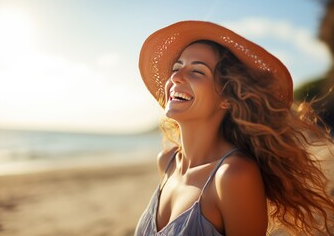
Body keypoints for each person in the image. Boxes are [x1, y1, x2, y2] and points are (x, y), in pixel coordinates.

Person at [134, 21, 334, 236]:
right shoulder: (167, 161)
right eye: (176, 68)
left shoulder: (233, 175)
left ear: (227, 99)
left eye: (197, 72)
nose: (175, 77)